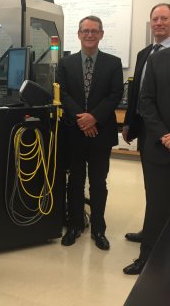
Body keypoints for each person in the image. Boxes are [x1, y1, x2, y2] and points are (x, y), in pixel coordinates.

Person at [58, 15, 123, 250]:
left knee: (98, 182)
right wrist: (83, 119)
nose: (89, 35)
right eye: (85, 31)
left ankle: (98, 228)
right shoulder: (65, 64)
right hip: (74, 132)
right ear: (78, 34)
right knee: (74, 181)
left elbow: (115, 95)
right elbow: (63, 94)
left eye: (94, 31)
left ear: (101, 34)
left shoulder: (113, 63)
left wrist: (94, 117)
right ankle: (74, 225)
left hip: (101, 132)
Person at [123, 4, 170, 275]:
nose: (159, 23)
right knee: (155, 197)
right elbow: (142, 97)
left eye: (165, 18)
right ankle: (148, 256)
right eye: (155, 19)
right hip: (154, 138)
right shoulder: (150, 56)